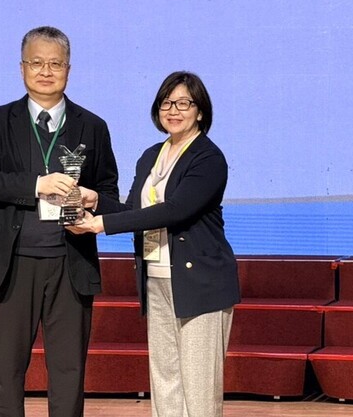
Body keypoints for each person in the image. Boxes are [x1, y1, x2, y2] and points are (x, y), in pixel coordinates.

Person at [0, 26, 119, 417]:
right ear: (22, 68)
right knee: (5, 372)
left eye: (55, 63)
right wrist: (38, 184)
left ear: (69, 68)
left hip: (71, 262)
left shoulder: (92, 126)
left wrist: (93, 198)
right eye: (37, 62)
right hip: (10, 263)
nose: (46, 71)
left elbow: (111, 193)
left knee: (69, 372)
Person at [68, 71, 240, 417]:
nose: (173, 110)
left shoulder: (208, 158)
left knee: (199, 387)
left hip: (200, 283)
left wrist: (100, 225)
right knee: (165, 380)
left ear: (200, 111)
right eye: (166, 103)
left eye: (183, 103)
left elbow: (175, 210)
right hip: (156, 279)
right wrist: (95, 201)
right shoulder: (151, 155)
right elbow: (135, 211)